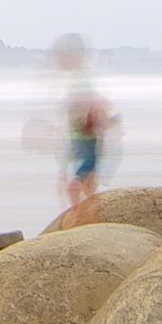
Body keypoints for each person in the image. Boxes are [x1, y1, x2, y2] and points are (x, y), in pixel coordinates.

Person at [51, 35, 116, 224]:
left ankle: (84, 213)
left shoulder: (78, 79)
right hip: (85, 134)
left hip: (79, 133)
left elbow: (84, 104)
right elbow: (89, 105)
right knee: (86, 173)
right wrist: (104, 120)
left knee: (86, 173)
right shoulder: (81, 78)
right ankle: (83, 215)